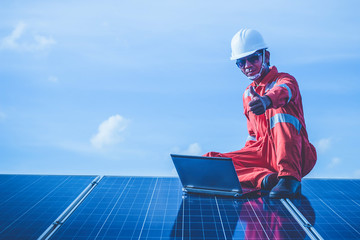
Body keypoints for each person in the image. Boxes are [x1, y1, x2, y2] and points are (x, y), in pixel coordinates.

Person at [203, 28, 317, 198]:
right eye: (241, 62)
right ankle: (265, 179)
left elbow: (285, 90)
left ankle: (289, 178)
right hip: (262, 154)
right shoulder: (247, 94)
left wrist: (266, 101)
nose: (247, 66)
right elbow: (253, 138)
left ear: (266, 57)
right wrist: (245, 161)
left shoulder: (284, 80)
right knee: (210, 162)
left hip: (293, 153)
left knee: (278, 110)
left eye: (253, 58)